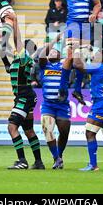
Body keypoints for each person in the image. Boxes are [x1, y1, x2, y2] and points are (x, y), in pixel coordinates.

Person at [18, 0, 101, 105]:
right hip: (73, 24)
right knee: (70, 56)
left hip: (86, 26)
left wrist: (94, 13)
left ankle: (77, 90)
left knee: (80, 59)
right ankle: (63, 89)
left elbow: (98, 4)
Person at [1, 14, 45, 170]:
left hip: (23, 96)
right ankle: (38, 162)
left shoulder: (23, 59)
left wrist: (15, 22)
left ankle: (22, 160)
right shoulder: (19, 62)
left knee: (11, 127)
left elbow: (16, 40)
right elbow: (3, 49)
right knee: (28, 129)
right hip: (26, 95)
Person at [38, 34, 71, 169]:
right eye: (50, 51)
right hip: (48, 104)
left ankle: (60, 156)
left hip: (62, 105)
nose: (52, 51)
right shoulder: (44, 66)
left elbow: (70, 59)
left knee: (64, 132)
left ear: (59, 55)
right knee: (47, 129)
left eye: (55, 51)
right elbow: (41, 55)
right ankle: (56, 158)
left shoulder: (63, 66)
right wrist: (54, 41)